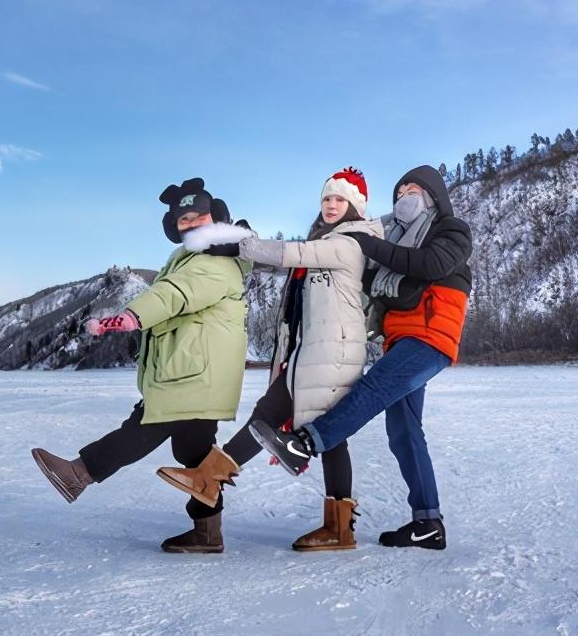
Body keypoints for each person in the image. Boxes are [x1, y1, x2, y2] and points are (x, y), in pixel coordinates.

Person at [156, 168, 384, 551]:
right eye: (327, 199)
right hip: (311, 352)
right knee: (271, 417)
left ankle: (338, 527)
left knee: (319, 432)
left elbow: (289, 253)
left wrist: (239, 244)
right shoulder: (328, 239)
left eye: (339, 200)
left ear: (355, 207)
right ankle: (210, 480)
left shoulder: (350, 242)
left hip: (335, 351)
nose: (330, 205)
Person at [249, 164, 471, 550]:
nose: (405, 196)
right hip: (400, 338)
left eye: (413, 189)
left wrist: (369, 245)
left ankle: (305, 442)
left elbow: (431, 265)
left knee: (373, 388)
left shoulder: (450, 230)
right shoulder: (396, 239)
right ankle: (428, 523)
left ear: (433, 195)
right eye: (399, 192)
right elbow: (370, 281)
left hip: (431, 335)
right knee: (403, 432)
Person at [30, 177, 251, 554]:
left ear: (216, 217)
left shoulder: (215, 261)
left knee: (143, 428)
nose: (191, 225)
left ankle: (79, 474)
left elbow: (174, 295)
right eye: (183, 222)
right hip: (193, 370)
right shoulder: (200, 257)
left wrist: (132, 315)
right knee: (195, 456)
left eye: (198, 217)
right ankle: (207, 532)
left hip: (193, 372)